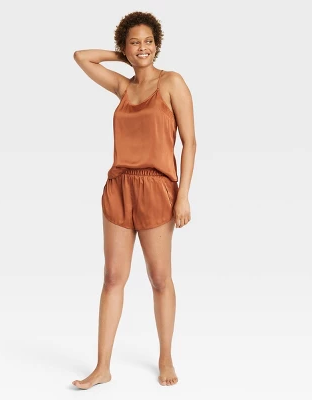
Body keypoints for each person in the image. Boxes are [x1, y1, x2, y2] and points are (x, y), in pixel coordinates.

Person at [72, 11, 196, 389]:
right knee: (113, 277)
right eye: (134, 43)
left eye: (148, 42)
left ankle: (165, 357)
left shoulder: (171, 82)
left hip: (158, 188)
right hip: (119, 187)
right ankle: (102, 367)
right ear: (125, 48)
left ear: (157, 44)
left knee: (159, 278)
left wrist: (183, 196)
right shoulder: (123, 88)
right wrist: (123, 58)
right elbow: (81, 57)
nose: (143, 48)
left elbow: (190, 142)